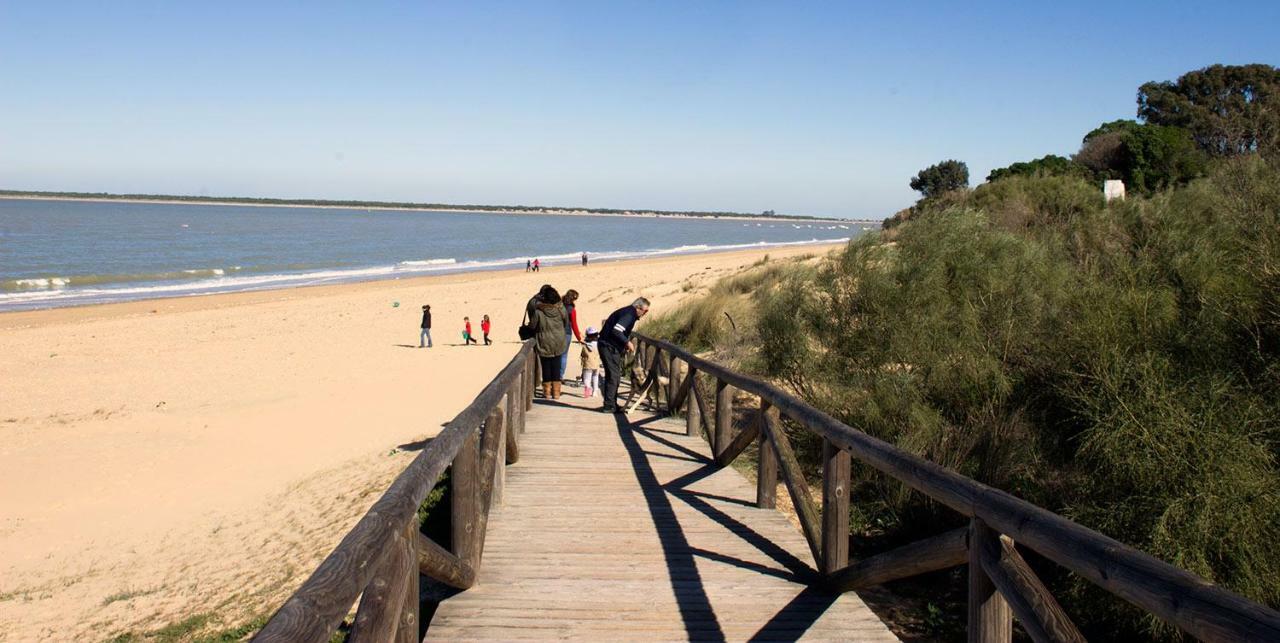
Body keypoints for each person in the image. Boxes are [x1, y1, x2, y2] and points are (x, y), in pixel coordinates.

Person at [598, 297, 650, 413]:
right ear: (638, 307)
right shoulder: (629, 314)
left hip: (608, 345)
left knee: (613, 375)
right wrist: (627, 342)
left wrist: (623, 344)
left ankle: (611, 404)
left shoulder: (628, 312)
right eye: (645, 311)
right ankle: (609, 406)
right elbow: (617, 330)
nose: (644, 314)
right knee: (614, 376)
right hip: (608, 346)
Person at [528, 286, 569, 399]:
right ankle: (556, 393)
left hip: (544, 340)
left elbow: (532, 326)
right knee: (556, 365)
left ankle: (547, 392)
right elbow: (566, 323)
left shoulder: (538, 311)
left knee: (546, 366)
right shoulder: (562, 309)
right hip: (559, 340)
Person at [560, 289, 584, 384]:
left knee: (556, 355)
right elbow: (574, 325)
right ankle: (560, 376)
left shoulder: (559, 306)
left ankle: (554, 375)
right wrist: (579, 338)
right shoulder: (572, 310)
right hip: (566, 333)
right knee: (564, 355)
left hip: (556, 332)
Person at [580, 326, 601, 398]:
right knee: (595, 377)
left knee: (587, 378)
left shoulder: (585, 345)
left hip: (588, 365)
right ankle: (595, 391)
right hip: (596, 364)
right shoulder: (599, 345)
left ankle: (587, 391)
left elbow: (582, 354)